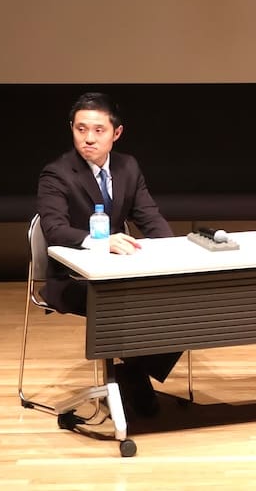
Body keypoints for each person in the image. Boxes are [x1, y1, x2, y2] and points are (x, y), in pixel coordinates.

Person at [36, 92, 181, 417]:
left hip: (119, 272)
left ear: (116, 133)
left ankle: (132, 372)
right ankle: (129, 378)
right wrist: (100, 243)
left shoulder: (128, 166)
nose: (88, 138)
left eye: (98, 130)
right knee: (130, 303)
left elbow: (149, 217)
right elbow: (55, 230)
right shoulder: (56, 173)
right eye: (81, 129)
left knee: (180, 298)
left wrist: (174, 253)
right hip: (72, 278)